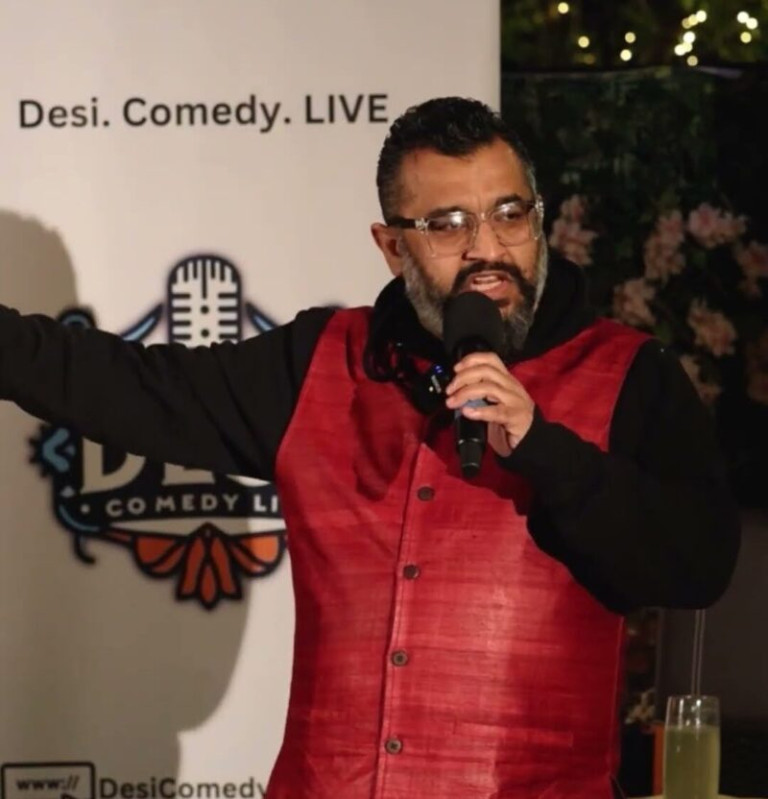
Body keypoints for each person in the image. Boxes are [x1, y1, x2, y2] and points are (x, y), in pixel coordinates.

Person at [0, 97, 739, 798]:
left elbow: (698, 564)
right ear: (392, 247)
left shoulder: (628, 373)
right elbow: (132, 385)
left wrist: (545, 448)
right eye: (448, 225)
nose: (488, 249)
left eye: (510, 214)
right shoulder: (320, 361)